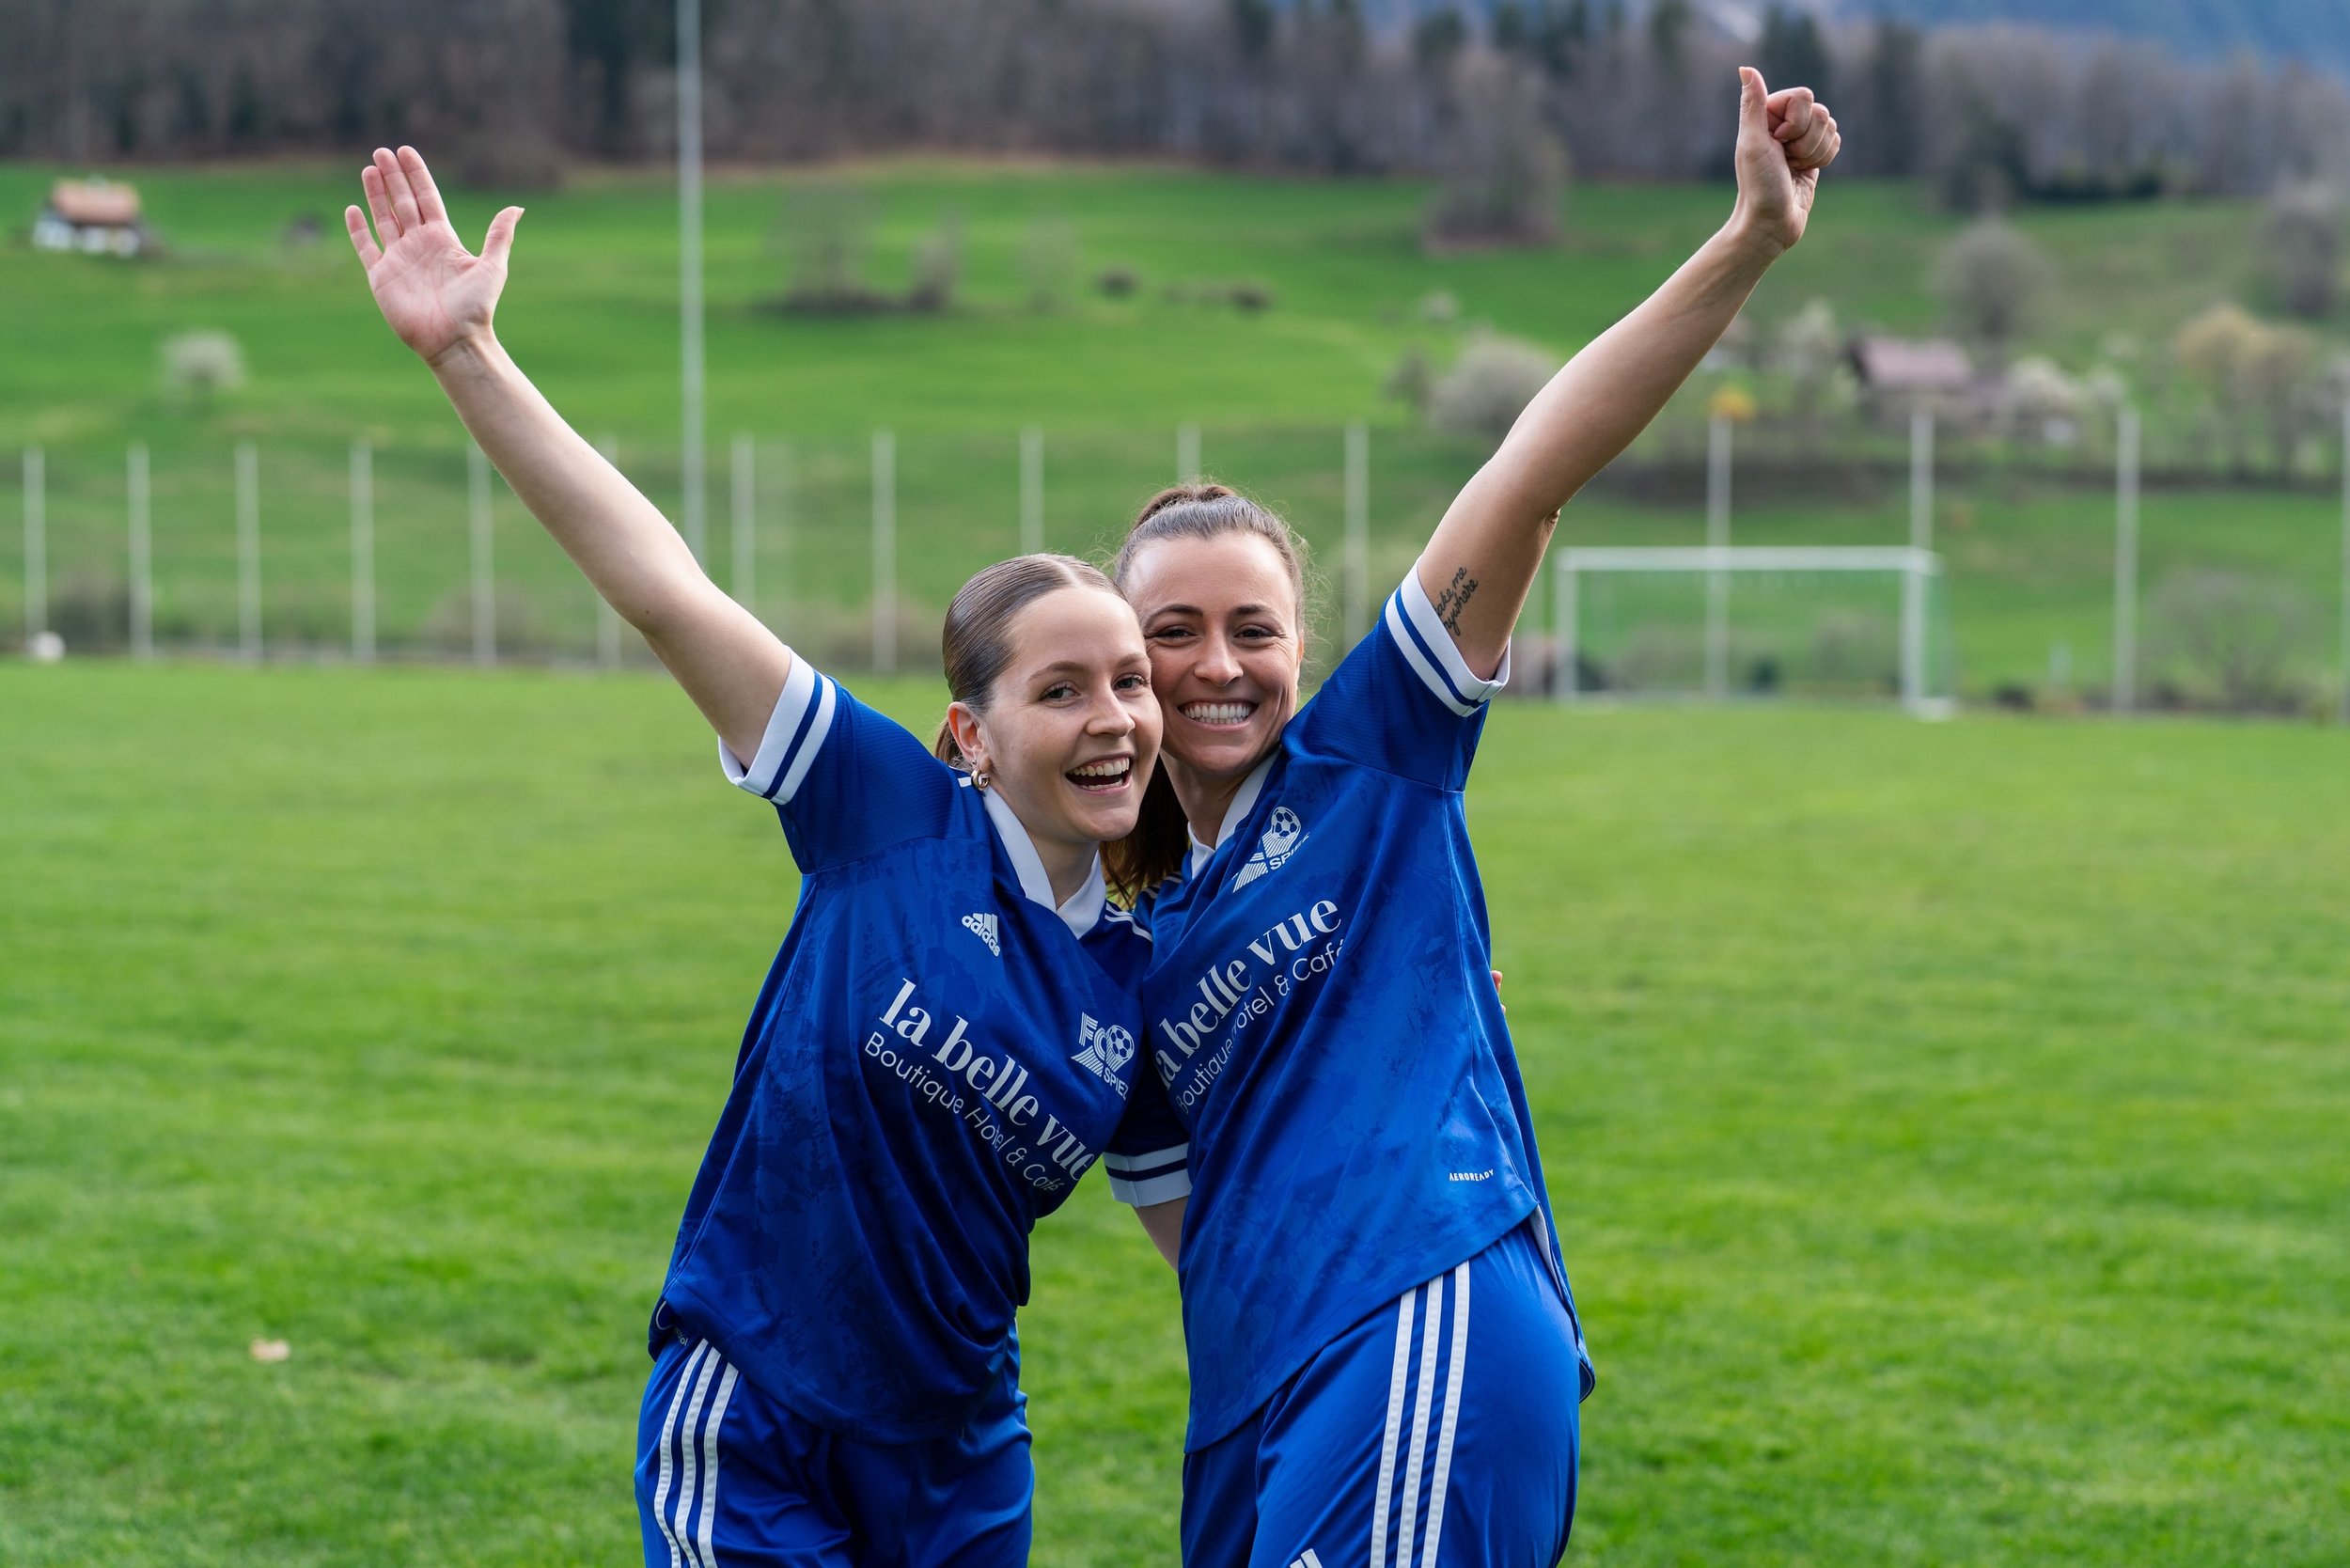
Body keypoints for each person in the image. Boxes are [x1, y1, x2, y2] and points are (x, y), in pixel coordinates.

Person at [344, 146, 1191, 1566]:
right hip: (760, 1423)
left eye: (1129, 682)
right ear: (968, 735)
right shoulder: (884, 813)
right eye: (1061, 690)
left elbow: (1213, 1256)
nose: (1113, 720)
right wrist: (470, 358)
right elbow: (666, 589)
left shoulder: (1140, 981)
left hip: (963, 1465)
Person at [1101, 70, 1841, 1568]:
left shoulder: (1376, 754)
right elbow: (1191, 1220)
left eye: (1255, 627)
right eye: (1171, 633)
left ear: (1305, 646)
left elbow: (1534, 468)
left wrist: (1748, 240)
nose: (1218, 665)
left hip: (1422, 1317)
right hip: (1255, 1401)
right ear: (1123, 664)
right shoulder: (1108, 939)